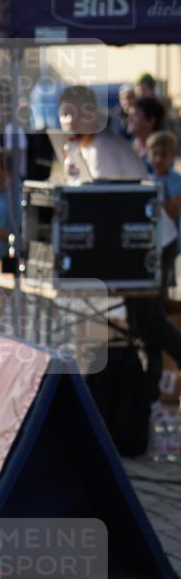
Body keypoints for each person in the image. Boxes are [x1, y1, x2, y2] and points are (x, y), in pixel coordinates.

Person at [125, 130, 181, 403]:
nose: (158, 159)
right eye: (154, 154)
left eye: (163, 154)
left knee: (154, 316)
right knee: (148, 322)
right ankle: (152, 388)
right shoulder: (145, 175)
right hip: (145, 249)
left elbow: (170, 212)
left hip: (164, 249)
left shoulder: (173, 181)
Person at [57, 85, 147, 181]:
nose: (71, 121)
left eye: (81, 113)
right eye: (65, 114)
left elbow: (98, 194)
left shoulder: (103, 146)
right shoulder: (82, 147)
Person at [127, 96, 165, 163]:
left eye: (134, 115)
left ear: (151, 121)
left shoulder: (162, 154)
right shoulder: (126, 147)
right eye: (129, 115)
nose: (129, 119)